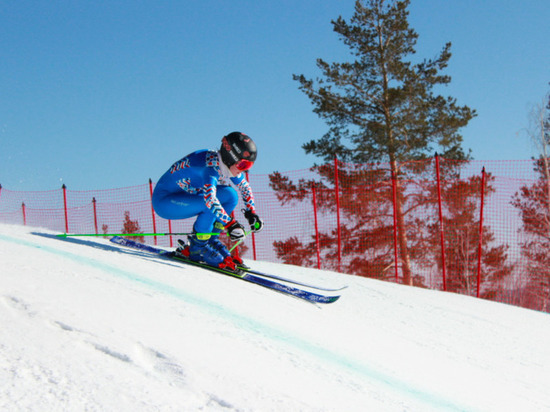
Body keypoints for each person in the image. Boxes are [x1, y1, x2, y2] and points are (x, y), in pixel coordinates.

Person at [152, 132, 264, 272]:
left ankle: (210, 239)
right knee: (209, 203)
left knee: (230, 195)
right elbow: (210, 200)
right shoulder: (210, 167)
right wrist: (230, 224)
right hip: (165, 201)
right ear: (231, 157)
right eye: (243, 164)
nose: (244, 170)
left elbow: (244, 187)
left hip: (185, 194)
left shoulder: (223, 162)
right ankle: (198, 247)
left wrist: (251, 213)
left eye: (248, 166)